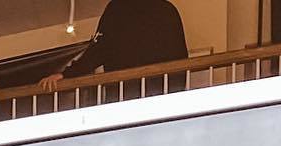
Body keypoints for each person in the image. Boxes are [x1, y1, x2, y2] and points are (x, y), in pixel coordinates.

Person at [41, 0, 188, 86]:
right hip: (162, 93)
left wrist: (67, 74)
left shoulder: (117, 9)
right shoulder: (167, 9)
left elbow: (99, 50)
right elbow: (180, 56)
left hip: (126, 95)